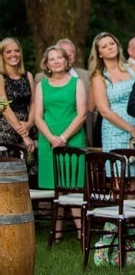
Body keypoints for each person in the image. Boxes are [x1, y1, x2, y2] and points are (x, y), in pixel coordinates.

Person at [33, 45, 87, 240]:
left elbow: (82, 114)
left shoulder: (77, 83)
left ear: (66, 61)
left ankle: (82, 234)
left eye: (59, 57)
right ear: (46, 64)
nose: (56, 61)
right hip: (49, 142)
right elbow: (38, 116)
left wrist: (63, 138)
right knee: (56, 188)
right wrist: (52, 138)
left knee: (73, 187)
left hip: (72, 140)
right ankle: (55, 235)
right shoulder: (41, 85)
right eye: (51, 59)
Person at [89, 32, 135, 155]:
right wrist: (131, 129)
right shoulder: (99, 77)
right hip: (115, 131)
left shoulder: (133, 69)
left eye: (112, 43)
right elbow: (104, 111)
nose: (110, 47)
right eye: (104, 46)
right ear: (99, 54)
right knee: (119, 171)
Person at [0, 37, 35, 151]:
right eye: (8, 52)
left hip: (27, 128)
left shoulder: (28, 75)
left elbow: (34, 102)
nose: (13, 54)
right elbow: (4, 107)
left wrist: (29, 124)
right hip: (7, 130)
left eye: (16, 50)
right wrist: (24, 135)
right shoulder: (1, 77)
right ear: (2, 55)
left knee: (28, 166)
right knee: (10, 167)